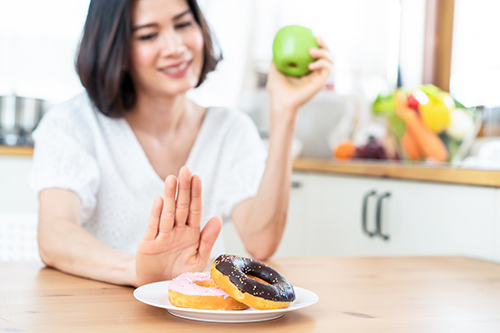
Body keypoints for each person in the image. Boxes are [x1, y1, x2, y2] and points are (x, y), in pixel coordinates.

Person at [29, 0, 332, 287]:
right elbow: (55, 235)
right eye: (148, 35)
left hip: (192, 317)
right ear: (114, 47)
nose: (175, 47)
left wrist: (284, 112)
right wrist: (138, 270)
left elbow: (261, 240)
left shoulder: (230, 129)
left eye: (183, 24)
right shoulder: (73, 123)